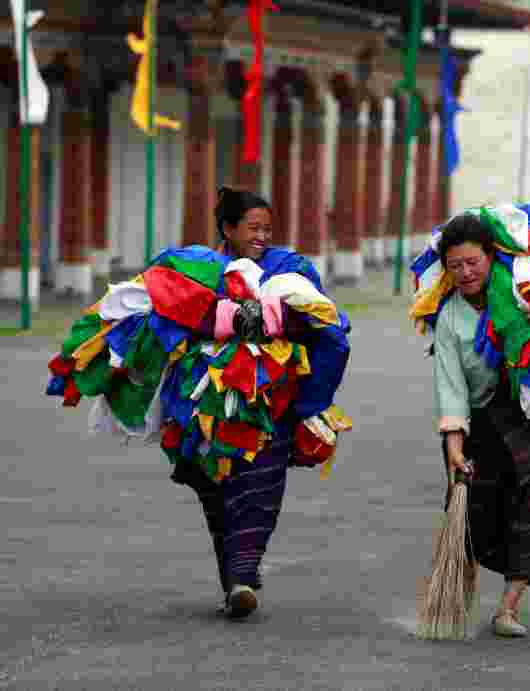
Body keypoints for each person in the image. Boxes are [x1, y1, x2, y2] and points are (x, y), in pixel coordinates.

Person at [46, 186, 352, 619]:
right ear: (227, 229)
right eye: (253, 228)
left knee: (261, 483)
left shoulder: (292, 268)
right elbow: (164, 307)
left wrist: (264, 322)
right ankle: (236, 577)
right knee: (217, 489)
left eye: (268, 228)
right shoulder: (194, 267)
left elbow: (321, 319)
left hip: (268, 404)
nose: (262, 236)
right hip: (199, 407)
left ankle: (243, 575)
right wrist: (225, 319)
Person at [411, 205, 530, 637]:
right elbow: (451, 386)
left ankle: (507, 609)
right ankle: (457, 594)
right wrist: (453, 444)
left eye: (473, 262)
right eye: (455, 265)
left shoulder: (524, 294)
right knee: (468, 517)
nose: (465, 273)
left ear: (491, 257)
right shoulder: (450, 319)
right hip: (482, 428)